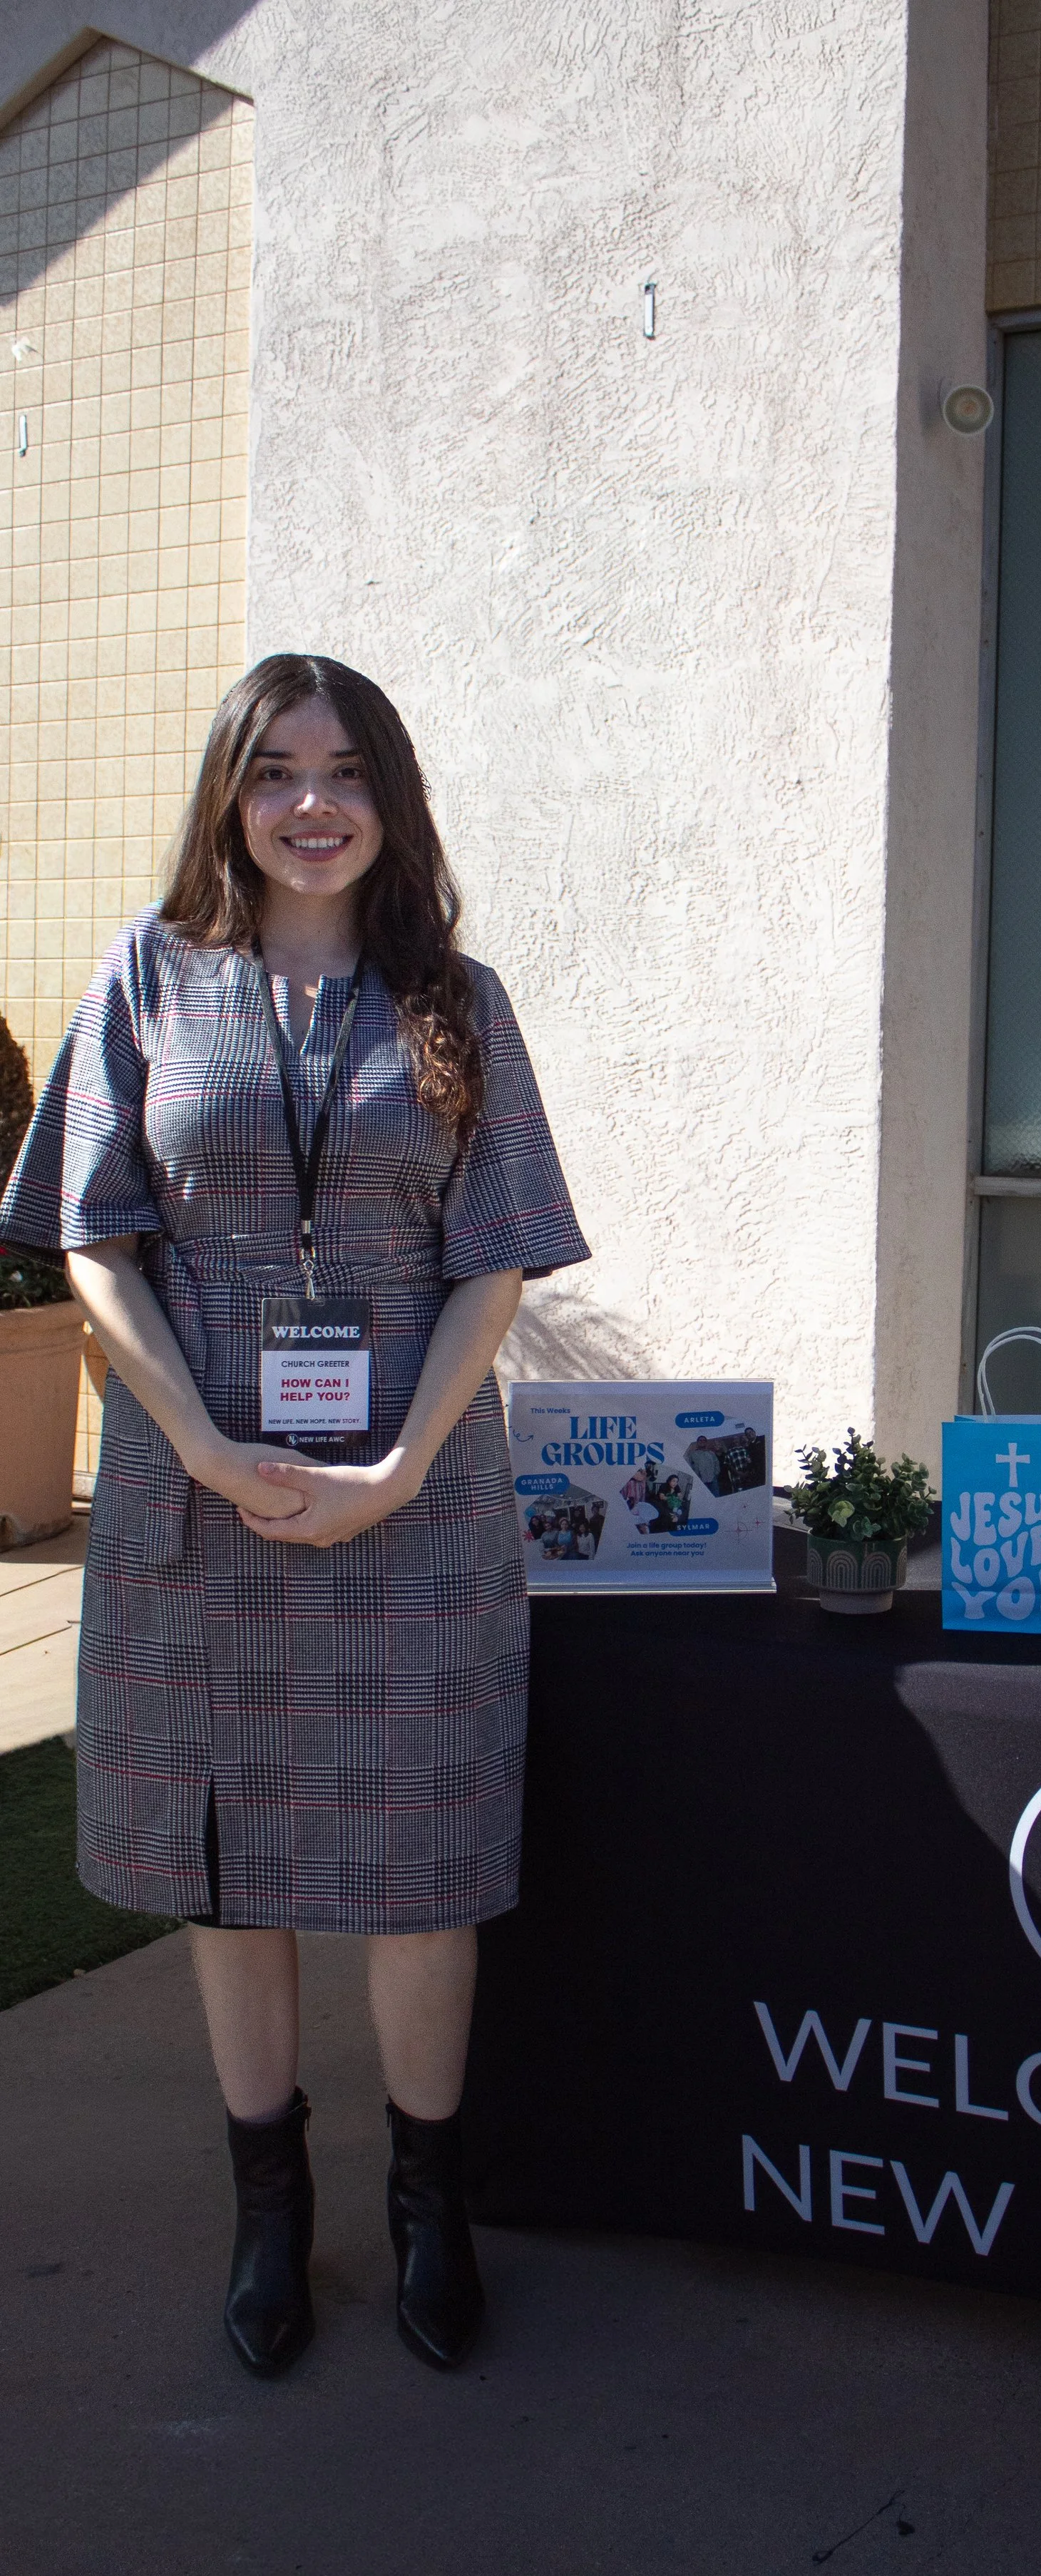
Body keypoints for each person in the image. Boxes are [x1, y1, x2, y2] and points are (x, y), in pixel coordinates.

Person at [0, 655, 589, 2380]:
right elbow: (92, 1234)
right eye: (275, 772)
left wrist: (399, 1467)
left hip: (415, 1501)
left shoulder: (455, 1000)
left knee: (425, 1870)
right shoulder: (149, 979)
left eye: (346, 771)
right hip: (202, 1505)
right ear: (229, 797)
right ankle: (270, 2203)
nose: (311, 803)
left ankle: (428, 2196)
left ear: (390, 798)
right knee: (231, 1867)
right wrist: (185, 1439)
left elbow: (497, 1251)